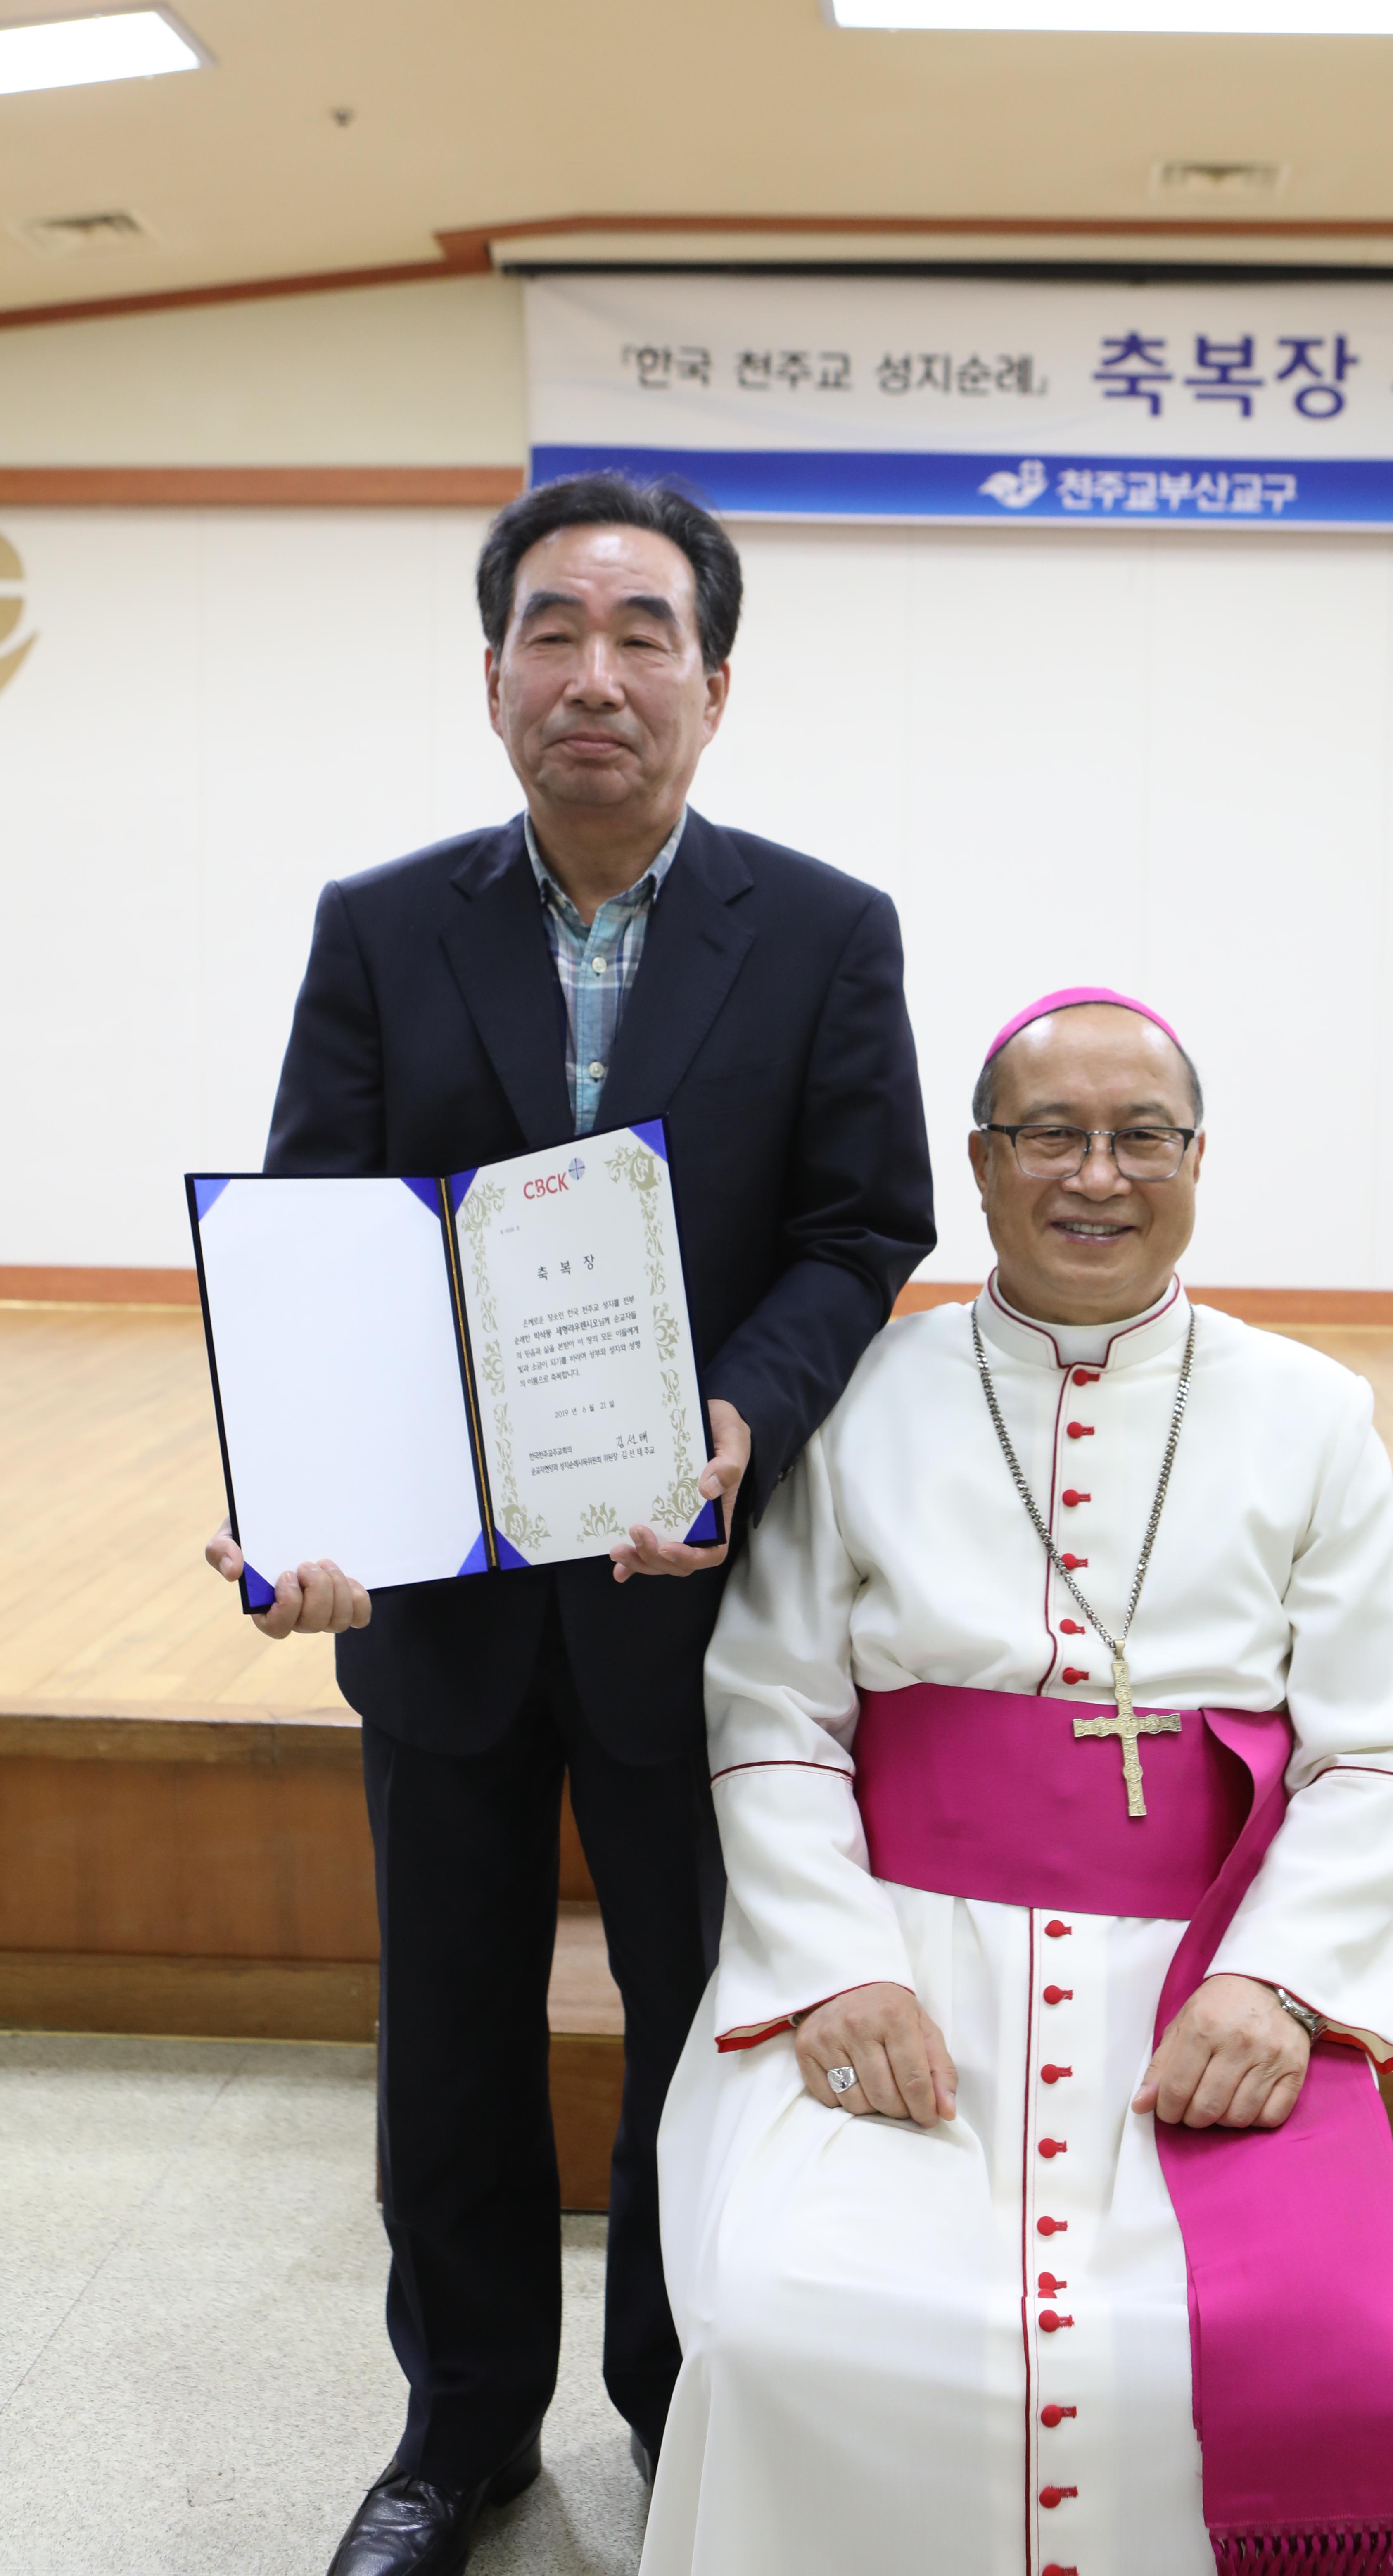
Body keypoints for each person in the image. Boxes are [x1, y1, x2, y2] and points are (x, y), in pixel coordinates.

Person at [204, 472, 935, 2576]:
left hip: (693, 1596)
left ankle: (687, 2409)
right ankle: (460, 2439)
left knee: (704, 2028)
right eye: (552, 631)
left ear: (714, 683)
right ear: (493, 675)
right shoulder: (381, 924)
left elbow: (860, 1225)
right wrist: (308, 1514)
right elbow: (324, 1241)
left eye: (640, 636)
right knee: (447, 2039)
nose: (593, 675)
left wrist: (739, 1417)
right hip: (440, 1604)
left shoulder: (824, 930)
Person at [643, 987, 1393, 2576]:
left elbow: (1379, 1750)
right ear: (980, 1161)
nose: (1097, 1175)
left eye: (1141, 1137)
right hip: (905, 1954)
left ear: (1199, 1160)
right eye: (1050, 1136)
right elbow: (771, 1714)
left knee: (1260, 2351)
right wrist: (838, 1967)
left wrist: (1279, 1985)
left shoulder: (1313, 1414)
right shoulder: (861, 1393)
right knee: (786, 2326)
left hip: (1198, 1978)